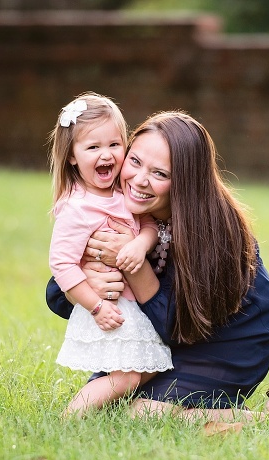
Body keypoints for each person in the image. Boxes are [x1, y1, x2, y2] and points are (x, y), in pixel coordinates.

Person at [46, 111, 269, 422]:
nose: (139, 180)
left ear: (186, 182)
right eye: (134, 161)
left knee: (144, 414)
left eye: (160, 174)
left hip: (227, 340)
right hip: (156, 331)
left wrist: (133, 264)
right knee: (107, 402)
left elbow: (178, 328)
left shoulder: (214, 232)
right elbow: (58, 291)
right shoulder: (115, 204)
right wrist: (90, 285)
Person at [48, 93, 173, 417]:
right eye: (93, 148)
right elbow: (61, 264)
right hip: (108, 308)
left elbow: (148, 225)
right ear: (72, 157)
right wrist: (96, 305)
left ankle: (98, 411)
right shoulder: (77, 208)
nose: (106, 155)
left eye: (114, 145)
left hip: (132, 308)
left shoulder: (122, 192)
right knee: (128, 376)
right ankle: (71, 417)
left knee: (148, 368)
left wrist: (139, 245)